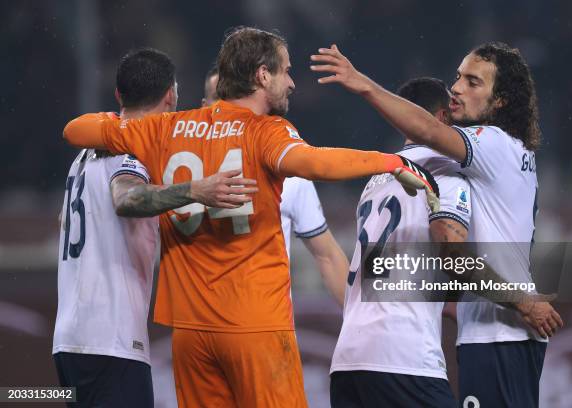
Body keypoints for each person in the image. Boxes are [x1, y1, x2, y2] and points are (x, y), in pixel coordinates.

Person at [62, 27, 436, 407]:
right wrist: (389, 162)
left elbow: (75, 130)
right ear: (262, 75)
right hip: (255, 324)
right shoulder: (266, 132)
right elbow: (312, 161)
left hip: (191, 333)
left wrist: (119, 124)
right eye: (286, 71)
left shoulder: (167, 128)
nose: (291, 83)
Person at [311, 41, 564, 407]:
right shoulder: (490, 158)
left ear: (501, 101)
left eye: (473, 82)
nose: (458, 88)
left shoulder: (489, 143)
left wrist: (363, 83)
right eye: (457, 78)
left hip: (497, 332)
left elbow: (429, 133)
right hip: (486, 329)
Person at [53, 47, 257, 408]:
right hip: (112, 341)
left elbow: (66, 220)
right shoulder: (132, 154)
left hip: (68, 340)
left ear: (119, 95)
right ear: (171, 95)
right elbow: (125, 198)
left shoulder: (84, 154)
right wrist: (197, 189)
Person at [330, 77, 468, 407]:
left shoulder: (378, 178)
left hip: (349, 358)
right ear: (441, 119)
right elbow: (449, 248)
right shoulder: (445, 171)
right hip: (403, 356)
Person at [202, 66, 348, 305]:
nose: (228, 109)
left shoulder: (289, 175)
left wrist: (360, 326)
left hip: (265, 323)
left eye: (235, 99)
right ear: (203, 106)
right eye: (219, 99)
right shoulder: (179, 168)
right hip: (198, 324)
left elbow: (328, 256)